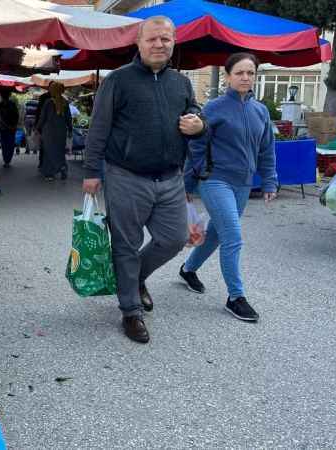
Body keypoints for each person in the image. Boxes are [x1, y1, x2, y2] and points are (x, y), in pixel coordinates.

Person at [83, 16, 206, 343]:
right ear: (138, 43)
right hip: (126, 176)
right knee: (126, 244)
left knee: (175, 238)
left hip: (170, 178)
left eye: (165, 39)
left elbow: (194, 112)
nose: (159, 45)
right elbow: (98, 128)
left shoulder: (181, 82)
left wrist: (199, 123)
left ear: (173, 42)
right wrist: (92, 172)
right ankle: (131, 311)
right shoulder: (118, 80)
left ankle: (134, 278)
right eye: (152, 39)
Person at [180, 53, 277, 322]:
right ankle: (236, 297)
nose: (245, 77)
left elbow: (267, 148)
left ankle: (188, 269)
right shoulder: (213, 108)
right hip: (214, 179)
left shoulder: (261, 110)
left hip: (243, 183)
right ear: (227, 76)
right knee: (232, 235)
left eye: (251, 73)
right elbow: (196, 147)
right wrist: (188, 183)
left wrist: (269, 180)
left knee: (216, 234)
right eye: (239, 73)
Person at [37, 83, 72, 181]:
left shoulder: (48, 102)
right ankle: (62, 166)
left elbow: (43, 117)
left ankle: (49, 174)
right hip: (61, 131)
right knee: (59, 151)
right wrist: (70, 129)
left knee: (48, 152)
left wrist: (37, 128)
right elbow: (69, 118)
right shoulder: (65, 102)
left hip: (49, 131)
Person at [0, 89, 20, 168]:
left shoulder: (10, 104)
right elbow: (16, 116)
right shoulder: (1, 105)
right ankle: (7, 160)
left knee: (8, 144)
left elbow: (16, 116)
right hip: (7, 128)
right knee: (7, 144)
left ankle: (7, 160)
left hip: (9, 128)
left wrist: (13, 125)